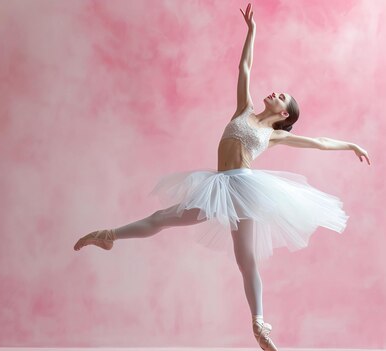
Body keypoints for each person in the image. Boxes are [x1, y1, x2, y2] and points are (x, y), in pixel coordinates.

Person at [72, 3, 371, 351]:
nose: (276, 92)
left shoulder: (275, 134)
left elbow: (318, 142)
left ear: (285, 114)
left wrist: (350, 144)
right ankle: (108, 235)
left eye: (283, 96)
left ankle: (260, 325)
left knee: (246, 258)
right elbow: (244, 67)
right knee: (162, 218)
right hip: (217, 185)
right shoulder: (243, 110)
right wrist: (252, 32)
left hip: (246, 189)